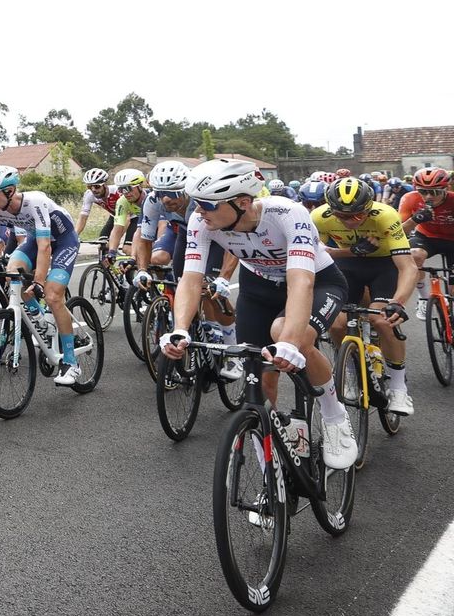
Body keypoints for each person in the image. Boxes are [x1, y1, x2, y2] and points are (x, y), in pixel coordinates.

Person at [160, 159, 357, 469]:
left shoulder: (288, 213)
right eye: (196, 202)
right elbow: (191, 278)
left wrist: (289, 342)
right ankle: (271, 466)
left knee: (290, 335)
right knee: (259, 378)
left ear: (242, 202)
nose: (198, 211)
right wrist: (180, 328)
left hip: (318, 281)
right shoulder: (202, 222)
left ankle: (334, 416)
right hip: (259, 287)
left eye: (207, 204)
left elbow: (301, 281)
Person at [313, 177, 416, 415]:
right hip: (347, 266)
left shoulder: (385, 215)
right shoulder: (319, 217)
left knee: (382, 319)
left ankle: (399, 388)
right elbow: (317, 254)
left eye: (358, 215)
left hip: (384, 266)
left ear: (369, 207)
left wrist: (398, 302)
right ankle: (350, 368)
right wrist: (351, 251)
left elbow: (408, 266)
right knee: (336, 324)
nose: (350, 221)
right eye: (341, 215)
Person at [0, 165, 85, 386]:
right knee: (12, 274)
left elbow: (45, 247)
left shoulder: (35, 202)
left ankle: (71, 362)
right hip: (36, 240)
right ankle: (41, 319)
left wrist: (39, 282)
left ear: (9, 191)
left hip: (63, 241)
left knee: (52, 295)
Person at [400, 167, 454, 320]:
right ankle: (423, 298)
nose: (428, 196)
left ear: (446, 189)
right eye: (423, 192)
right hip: (426, 237)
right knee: (414, 255)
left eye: (435, 192)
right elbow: (398, 231)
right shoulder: (410, 198)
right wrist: (414, 219)